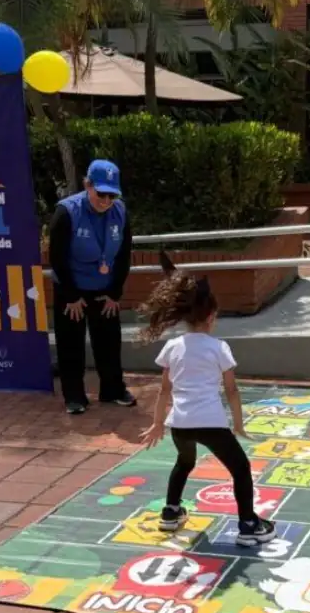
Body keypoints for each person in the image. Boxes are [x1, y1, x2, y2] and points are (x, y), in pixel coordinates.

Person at [139, 253, 277, 547]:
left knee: (184, 461)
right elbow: (232, 391)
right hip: (211, 423)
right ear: (212, 316)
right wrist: (238, 424)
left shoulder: (173, 347)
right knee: (240, 469)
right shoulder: (218, 347)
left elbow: (164, 390)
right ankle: (248, 525)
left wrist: (158, 423)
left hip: (180, 424)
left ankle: (170, 512)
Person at [49, 159, 136, 414]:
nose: (106, 201)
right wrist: (70, 295)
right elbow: (57, 257)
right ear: (88, 185)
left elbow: (124, 254)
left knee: (109, 343)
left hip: (104, 289)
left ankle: (113, 390)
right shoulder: (66, 212)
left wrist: (115, 292)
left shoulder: (120, 212)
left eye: (112, 195)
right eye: (101, 194)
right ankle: (74, 396)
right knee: (71, 345)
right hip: (71, 288)